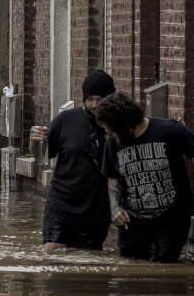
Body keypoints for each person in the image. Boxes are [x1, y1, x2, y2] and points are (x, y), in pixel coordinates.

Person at [95, 91, 194, 263]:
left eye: (111, 131)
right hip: (132, 223)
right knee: (130, 274)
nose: (110, 135)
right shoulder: (113, 143)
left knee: (161, 273)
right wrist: (115, 208)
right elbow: (113, 179)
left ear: (125, 125)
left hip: (171, 220)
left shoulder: (170, 131)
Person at [29, 70, 115, 250]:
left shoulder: (117, 126)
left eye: (100, 99)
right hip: (62, 204)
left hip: (96, 209)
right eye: (90, 99)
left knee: (87, 260)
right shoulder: (66, 120)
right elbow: (42, 156)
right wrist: (34, 141)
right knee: (52, 250)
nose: (94, 104)